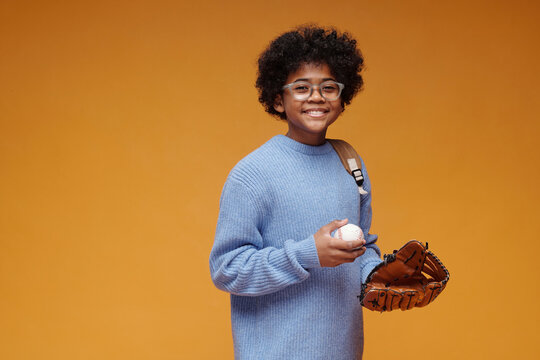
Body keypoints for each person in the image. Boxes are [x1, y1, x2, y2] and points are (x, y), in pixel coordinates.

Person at [209, 25, 382, 359]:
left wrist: (377, 275)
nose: (316, 97)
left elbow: (363, 247)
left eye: (328, 87)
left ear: (342, 98)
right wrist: (307, 254)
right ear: (278, 99)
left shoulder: (350, 162)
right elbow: (226, 269)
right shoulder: (253, 173)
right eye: (301, 88)